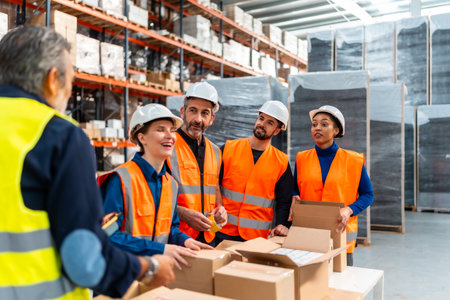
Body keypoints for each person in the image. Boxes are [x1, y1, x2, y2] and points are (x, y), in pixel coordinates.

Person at [0, 25, 174, 300]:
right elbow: (84, 261)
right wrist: (148, 266)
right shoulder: (60, 136)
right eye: (70, 81)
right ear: (52, 79)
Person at [100, 103, 213, 270]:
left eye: (172, 130)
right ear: (142, 138)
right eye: (161, 130)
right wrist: (161, 249)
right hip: (121, 274)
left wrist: (185, 240)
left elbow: (171, 229)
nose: (170, 136)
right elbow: (107, 236)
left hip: (154, 272)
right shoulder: (121, 179)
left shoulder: (171, 185)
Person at [291, 105, 374, 266]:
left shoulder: (353, 160)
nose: (317, 128)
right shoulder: (302, 158)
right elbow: (296, 188)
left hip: (340, 235)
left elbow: (368, 195)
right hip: (309, 234)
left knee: (340, 284)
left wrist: (349, 209)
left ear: (336, 131)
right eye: (314, 124)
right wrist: (294, 195)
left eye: (324, 124)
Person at [216, 100, 293, 242]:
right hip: (221, 231)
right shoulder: (228, 149)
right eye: (261, 118)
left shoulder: (281, 162)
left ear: (276, 130)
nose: (262, 124)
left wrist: (282, 225)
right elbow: (212, 183)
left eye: (270, 123)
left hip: (255, 238)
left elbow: (285, 201)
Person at [166, 82, 227, 246]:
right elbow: (153, 194)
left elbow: (214, 185)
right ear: (182, 112)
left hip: (208, 236)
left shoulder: (215, 151)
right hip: (176, 236)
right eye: (193, 110)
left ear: (212, 119)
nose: (198, 119)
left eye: (205, 113)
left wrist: (220, 208)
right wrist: (183, 214)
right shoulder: (167, 146)